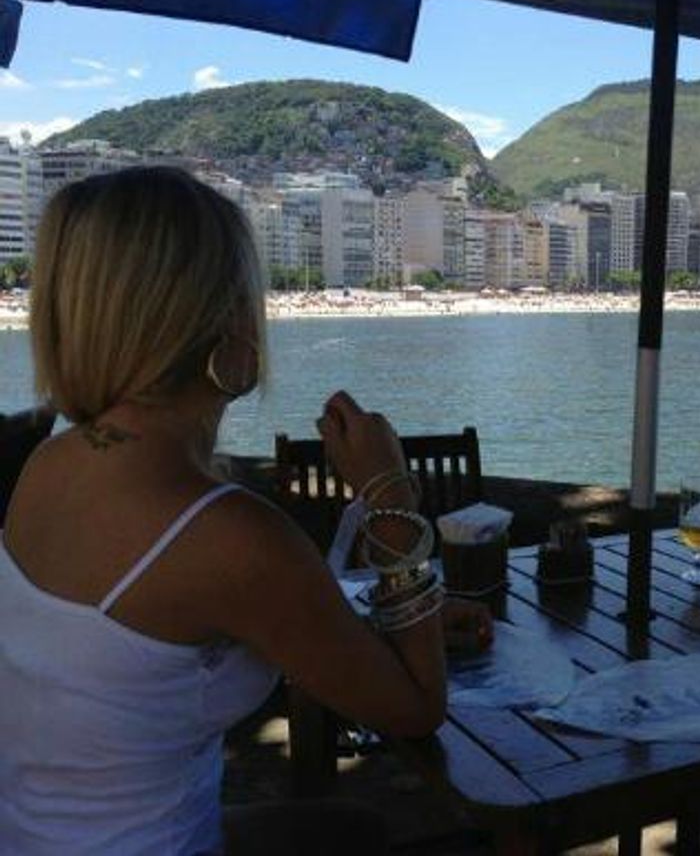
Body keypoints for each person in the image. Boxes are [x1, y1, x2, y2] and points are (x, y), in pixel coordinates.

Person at [0, 166, 492, 855]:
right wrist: (388, 494)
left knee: (351, 829)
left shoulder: (47, 466)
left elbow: (152, 642)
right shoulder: (225, 534)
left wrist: (395, 613)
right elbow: (414, 709)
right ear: (223, 324)